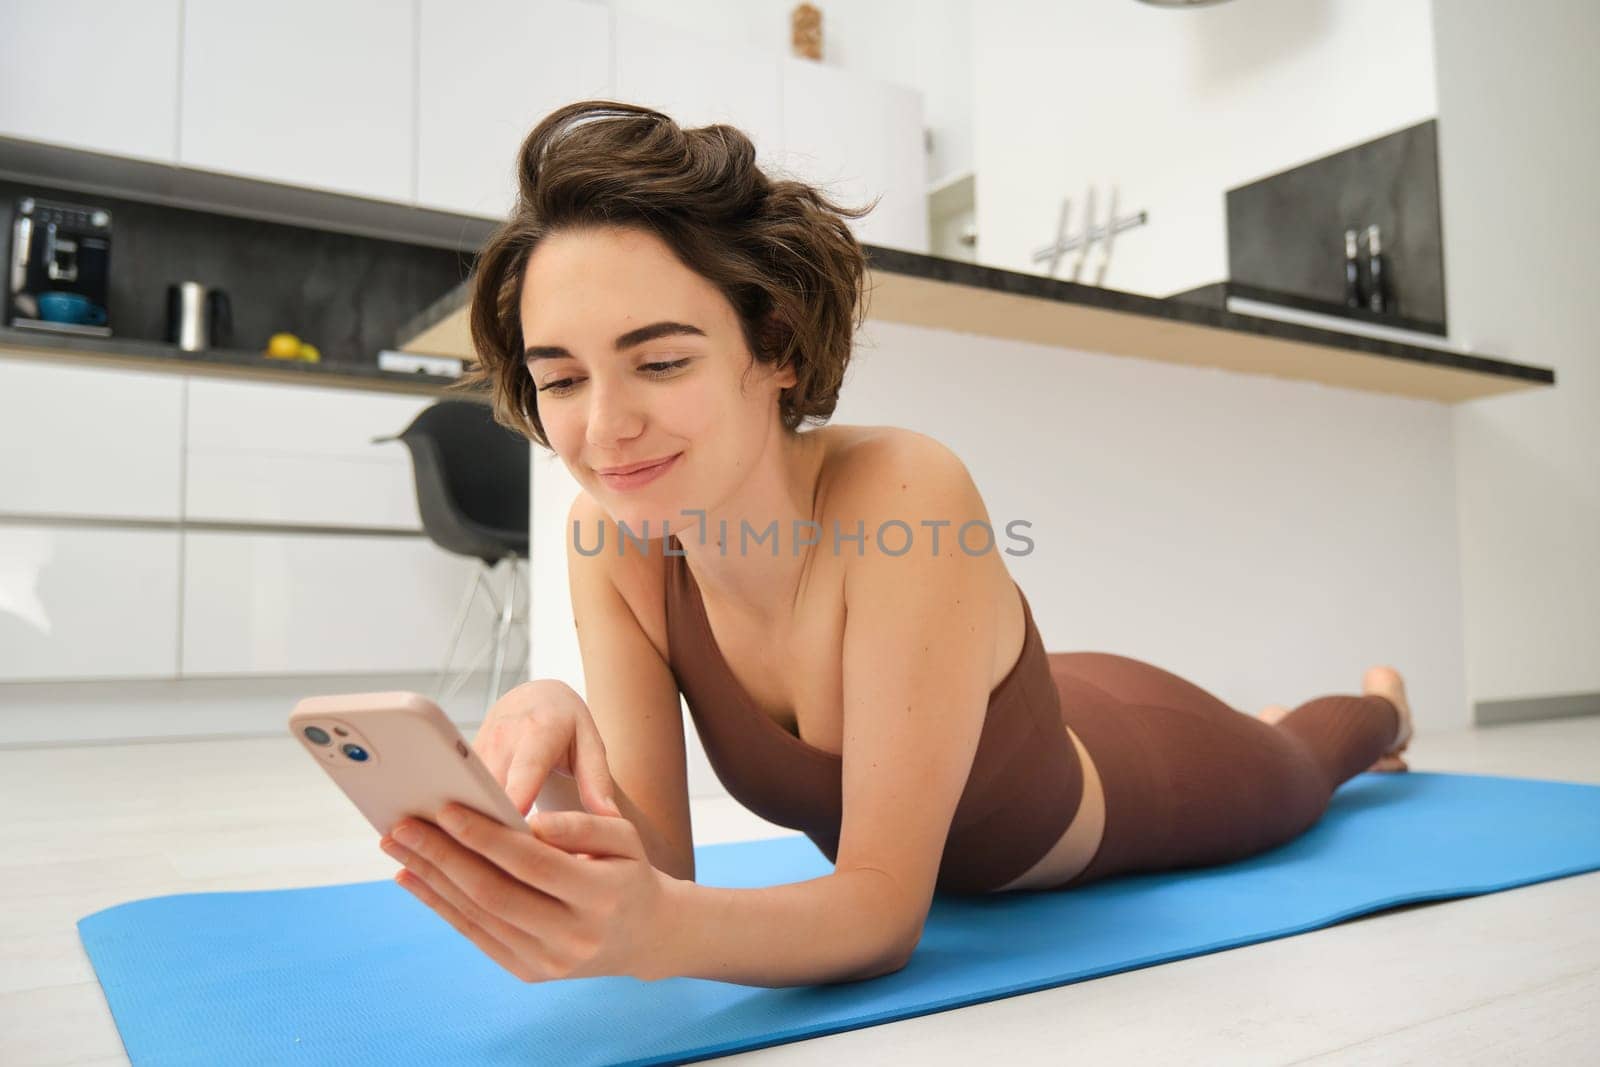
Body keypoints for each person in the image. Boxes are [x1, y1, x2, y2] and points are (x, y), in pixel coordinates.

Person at [375, 100, 1415, 989]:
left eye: (659, 360)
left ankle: (1378, 704)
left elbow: (877, 913)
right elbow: (654, 874)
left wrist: (655, 932)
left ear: (772, 346)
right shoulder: (608, 537)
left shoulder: (903, 492)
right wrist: (557, 728)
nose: (603, 428)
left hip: (1136, 754)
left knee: (1305, 761)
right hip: (985, 692)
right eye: (561, 378)